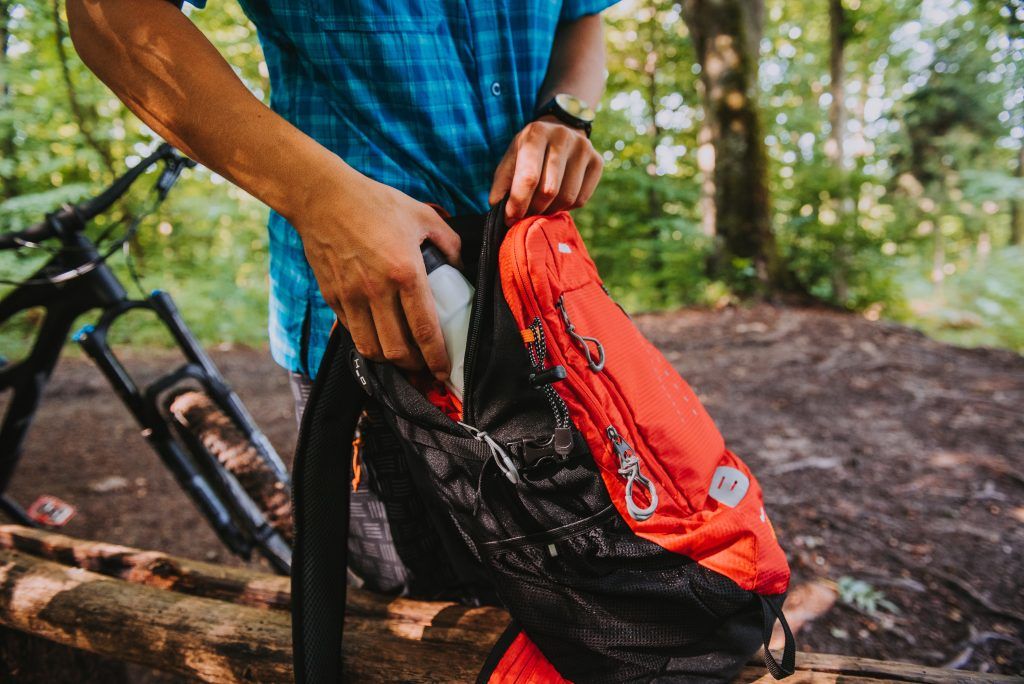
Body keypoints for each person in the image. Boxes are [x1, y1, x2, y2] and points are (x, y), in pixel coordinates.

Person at [67, 0, 614, 593]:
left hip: (547, 303)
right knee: (417, 603)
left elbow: (581, 14)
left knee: (591, 577)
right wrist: (320, 197)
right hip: (373, 328)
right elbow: (109, 17)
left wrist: (565, 114)